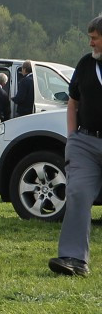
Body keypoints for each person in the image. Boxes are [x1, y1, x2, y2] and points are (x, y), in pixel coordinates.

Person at [49, 15, 102, 277]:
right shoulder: (84, 64)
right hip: (86, 142)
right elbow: (73, 102)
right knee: (78, 192)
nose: (90, 42)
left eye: (95, 37)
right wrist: (72, 138)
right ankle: (73, 259)